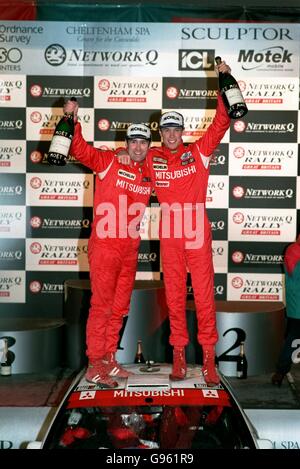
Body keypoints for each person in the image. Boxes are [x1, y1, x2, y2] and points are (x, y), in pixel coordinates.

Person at [118, 59, 231, 386]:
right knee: (174, 296)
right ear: (160, 133)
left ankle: (209, 359)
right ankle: (179, 355)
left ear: (182, 132)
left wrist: (224, 81)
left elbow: (222, 121)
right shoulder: (151, 158)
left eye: (175, 129)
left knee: (206, 296)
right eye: (165, 130)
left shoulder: (199, 152)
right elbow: (128, 161)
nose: (170, 134)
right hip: (168, 233)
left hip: (196, 229)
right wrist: (121, 156)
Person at [64, 99, 152, 387]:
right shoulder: (109, 161)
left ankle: (110, 358)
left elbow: (174, 160)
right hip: (105, 246)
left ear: (149, 146)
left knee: (120, 307)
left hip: (130, 249)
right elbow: (79, 150)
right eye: (133, 142)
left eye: (143, 143)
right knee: (101, 306)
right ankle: (94, 363)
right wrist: (73, 122)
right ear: (126, 143)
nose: (138, 147)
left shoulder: (149, 171)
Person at [272, 235, 300, 386]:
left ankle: (280, 372)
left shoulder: (293, 250)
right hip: (298, 306)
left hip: (296, 305)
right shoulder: (294, 250)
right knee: (293, 340)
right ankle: (280, 372)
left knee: (292, 339)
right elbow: (295, 274)